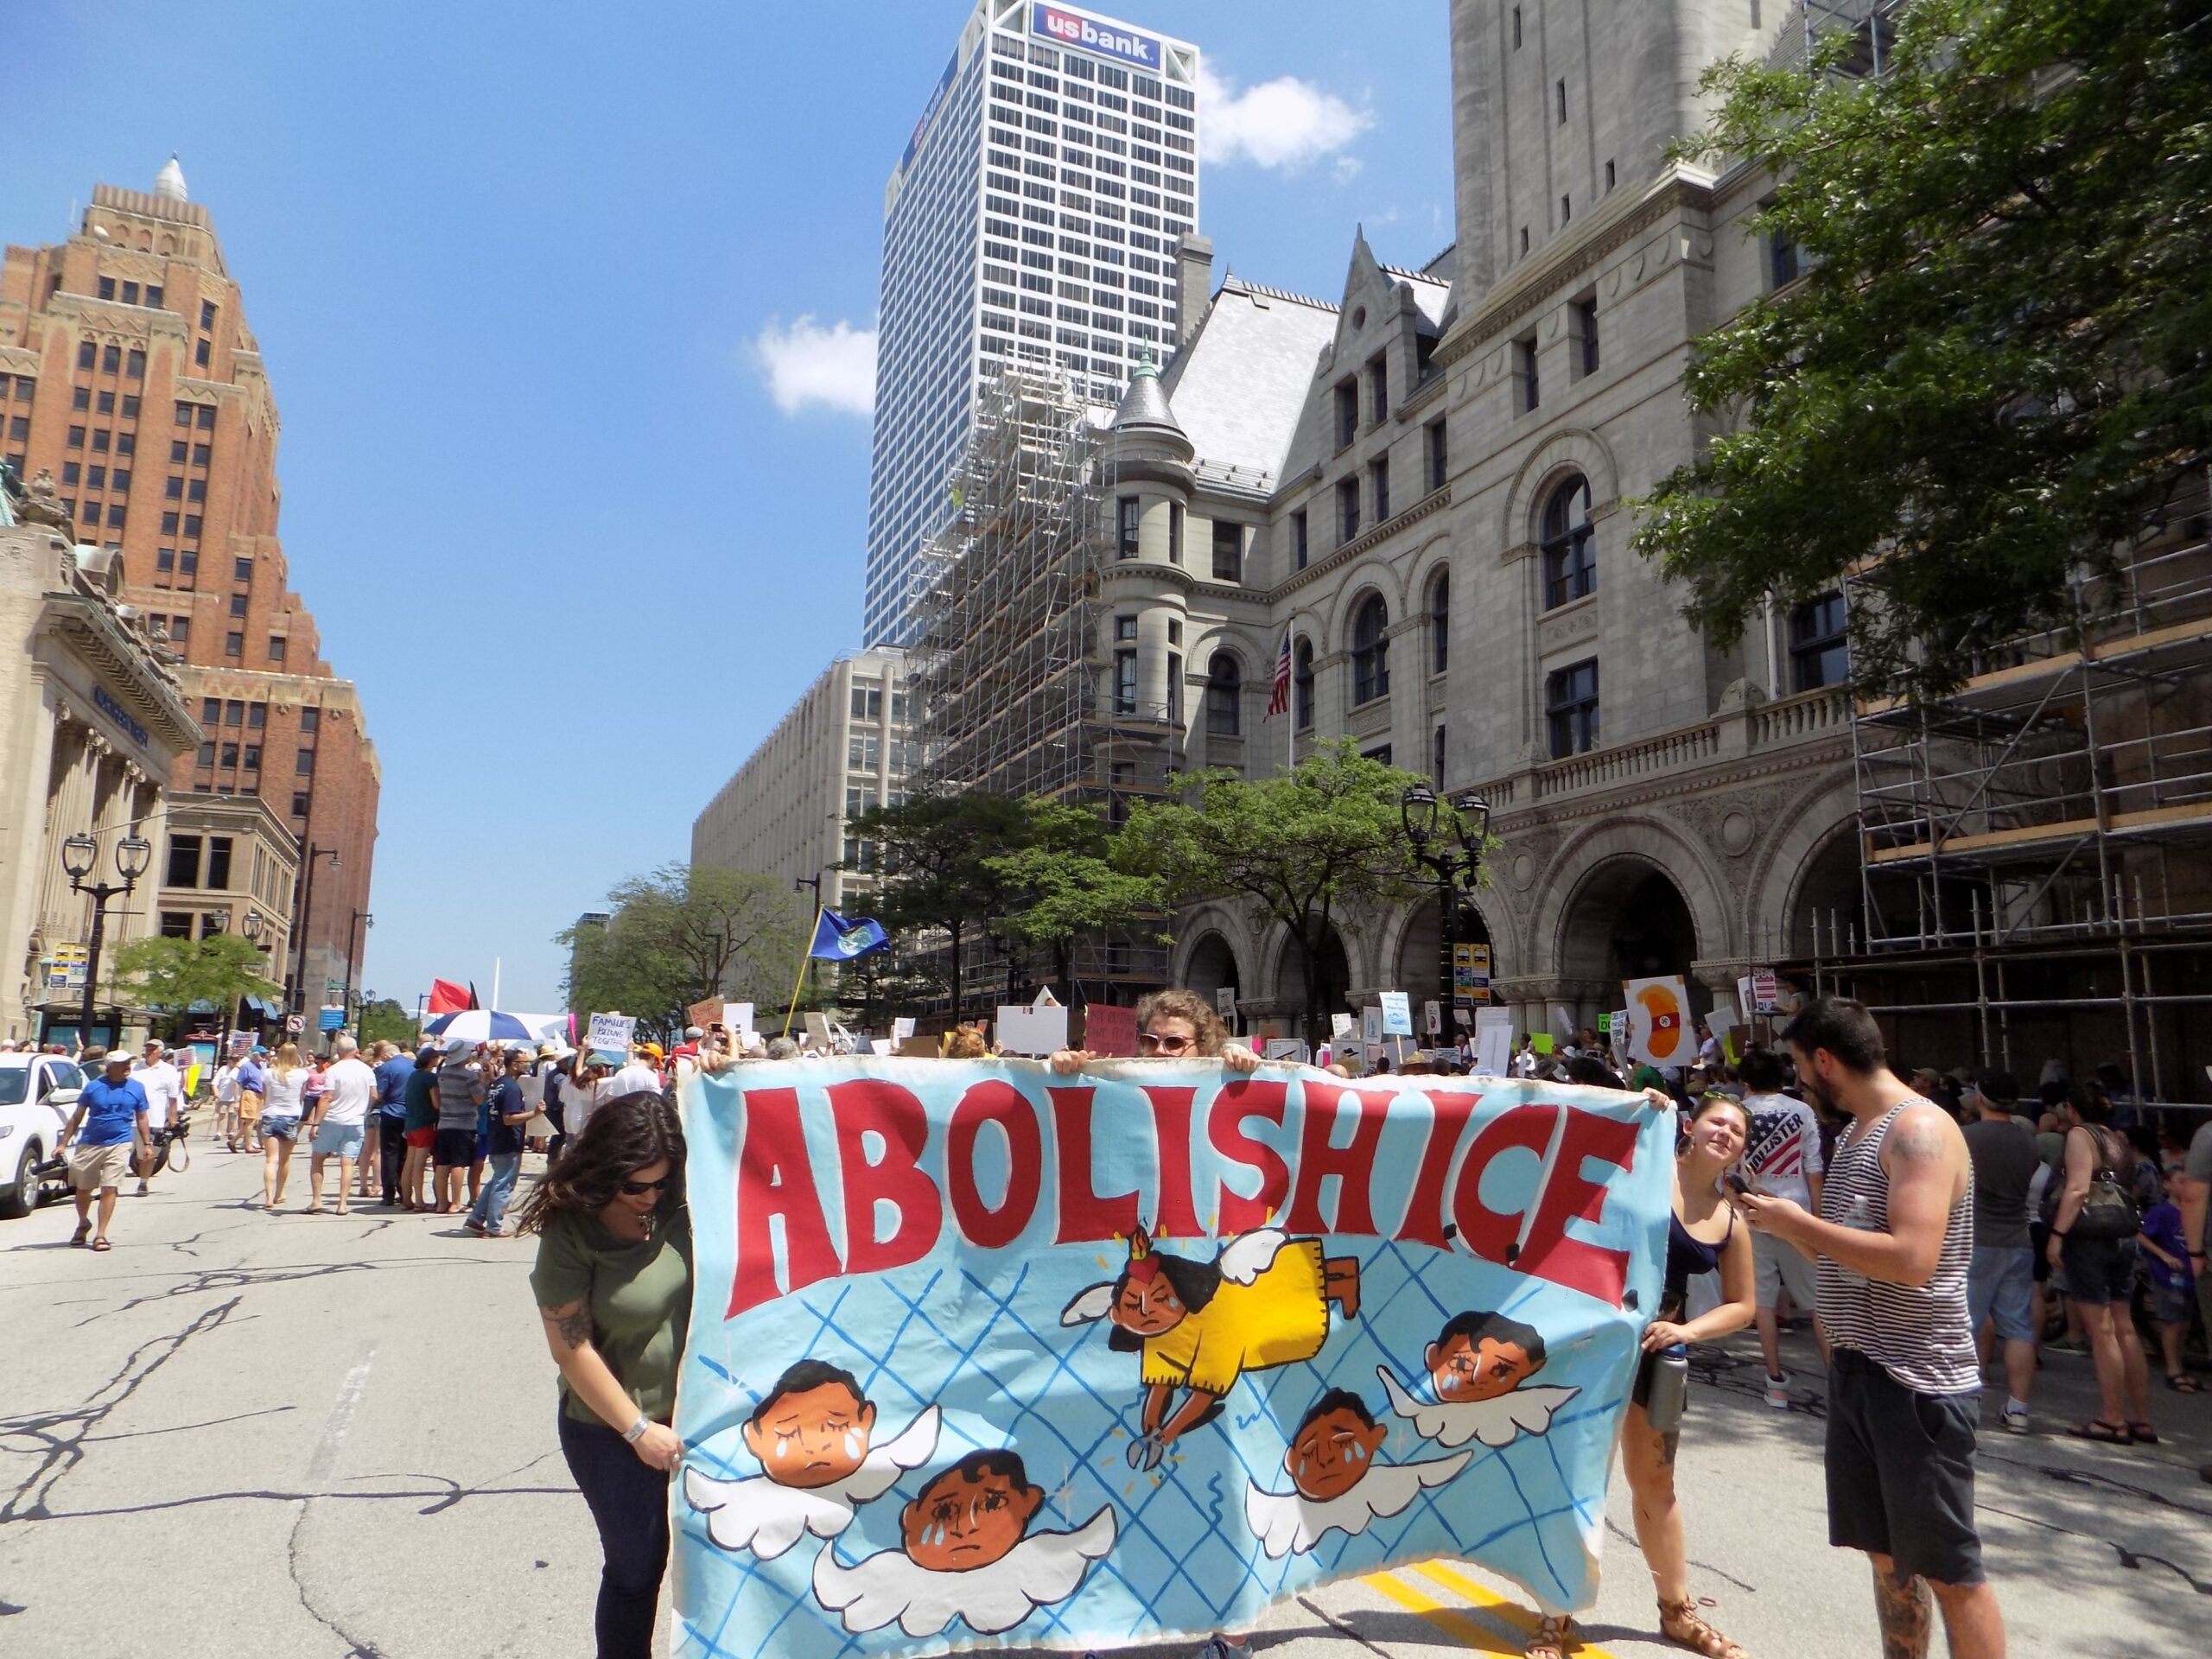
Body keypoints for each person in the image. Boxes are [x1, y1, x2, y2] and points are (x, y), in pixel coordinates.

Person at [1732, 995, 2004, 1659]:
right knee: (1887, 1557)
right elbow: (1850, 1253)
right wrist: (1779, 1226)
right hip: (1859, 1371)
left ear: (1825, 1060)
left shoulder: (1919, 1130)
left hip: (1915, 1382)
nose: (1799, 1080)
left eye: (1801, 1066)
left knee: (1950, 1572)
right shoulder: (1858, 1132)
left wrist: (1800, 1224)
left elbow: (1913, 1259)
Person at [1529, 1092, 1758, 1659]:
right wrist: (1635, 1106)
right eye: (1717, 1121)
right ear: (1691, 1126)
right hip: (1598, 1343)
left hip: (1659, 1355)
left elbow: (1743, 1306)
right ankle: (1555, 1615)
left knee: (1656, 1484)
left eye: (1736, 1131)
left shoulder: (1731, 1220)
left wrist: (1689, 1332)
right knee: (1579, 1476)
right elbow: (1578, 1142)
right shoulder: (1644, 1170)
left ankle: (1677, 1613)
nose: (1725, 1133)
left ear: (1741, 1149)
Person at [520, 1092, 692, 1659]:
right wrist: (638, 1430)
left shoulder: (682, 1201)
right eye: (635, 1186)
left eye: (660, 1183)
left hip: (703, 1414)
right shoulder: (572, 1231)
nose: (650, 1196)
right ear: (605, 1170)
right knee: (637, 1567)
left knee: (723, 1550)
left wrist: (725, 1072)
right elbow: (571, 1349)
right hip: (610, 1431)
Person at [2050, 1089, 2152, 1445]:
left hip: (2090, 1237)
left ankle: (2111, 1419)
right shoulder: (2117, 1138)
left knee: (2101, 1330)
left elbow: (2078, 1188)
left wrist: (2057, 1234)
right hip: (2122, 1233)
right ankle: (2141, 1418)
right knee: (2125, 1327)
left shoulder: (2080, 1135)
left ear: (2072, 1108)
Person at [1737, 1046, 1827, 1408]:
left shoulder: (1738, 1113)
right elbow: (1814, 1168)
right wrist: (1818, 1219)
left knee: (1762, 1303)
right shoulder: (1802, 1111)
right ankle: (1838, 1381)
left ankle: (1774, 1381)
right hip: (1797, 1215)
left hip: (1752, 1214)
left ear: (1746, 1080)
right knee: (1818, 1303)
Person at [1961, 1069, 2040, 1433]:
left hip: (1975, 1238)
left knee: (1964, 1322)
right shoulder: (2028, 1141)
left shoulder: (1966, 1137)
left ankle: (1961, 1401)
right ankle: (2019, 1408)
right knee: (2019, 1327)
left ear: (1980, 1098)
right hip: (2017, 1239)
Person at [1047, 988, 1262, 1074]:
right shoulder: (1118, 1085)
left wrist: (1247, 1070)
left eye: (1174, 1042)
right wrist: (1060, 1072)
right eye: (1150, 1040)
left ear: (1203, 1047)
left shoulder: (1225, 1087)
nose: (1159, 1050)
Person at [60, 1049, 148, 1251]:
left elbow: (142, 1117)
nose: (127, 1067)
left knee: (109, 1187)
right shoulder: (94, 1087)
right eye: (122, 1063)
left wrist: (147, 1144)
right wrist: (62, 1144)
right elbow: (77, 1117)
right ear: (110, 1067)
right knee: (83, 1189)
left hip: (120, 1142)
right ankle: (83, 1222)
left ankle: (101, 1235)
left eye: (128, 1062)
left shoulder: (136, 1088)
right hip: (91, 1143)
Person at [2136, 1195, 2200, 1394]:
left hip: (2188, 1276)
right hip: (2168, 1276)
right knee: (2172, 1323)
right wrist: (2164, 1255)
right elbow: (2141, 1235)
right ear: (2167, 1184)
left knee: (2183, 1323)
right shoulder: (2161, 1212)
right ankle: (2173, 1370)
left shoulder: (2194, 1212)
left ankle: (2179, 1366)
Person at [307, 1034, 376, 1217]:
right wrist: (364, 1109)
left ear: (338, 1051)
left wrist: (316, 1123)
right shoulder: (367, 1070)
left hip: (333, 1119)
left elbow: (326, 1097)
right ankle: (342, 1204)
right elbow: (374, 1095)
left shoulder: (333, 1070)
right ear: (356, 1050)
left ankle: (317, 1200)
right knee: (347, 1162)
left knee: (318, 1158)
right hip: (355, 1121)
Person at [467, 1047, 534, 1237]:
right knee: (504, 1184)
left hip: (495, 1138)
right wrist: (534, 1113)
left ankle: (476, 1218)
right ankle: (494, 1226)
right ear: (514, 1065)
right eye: (524, 1062)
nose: (527, 1065)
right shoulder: (511, 1088)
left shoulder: (497, 1084)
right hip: (508, 1141)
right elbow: (509, 1118)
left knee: (496, 1181)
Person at [432, 1038, 486, 1216]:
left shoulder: (442, 1074)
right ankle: (456, 1203)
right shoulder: (468, 1076)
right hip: (463, 1124)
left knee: (442, 1163)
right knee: (458, 1163)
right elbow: (479, 1099)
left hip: (444, 1122)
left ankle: (441, 1202)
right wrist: (482, 1082)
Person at [258, 1044, 310, 1212]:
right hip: (290, 1116)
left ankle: (268, 1197)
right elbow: (302, 1095)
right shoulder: (302, 1074)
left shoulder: (268, 1073)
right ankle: (279, 1193)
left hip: (270, 1115)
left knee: (270, 1159)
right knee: (284, 1159)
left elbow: (264, 1095)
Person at [131, 1039, 183, 1196]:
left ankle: (143, 1183)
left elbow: (173, 1097)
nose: (148, 1052)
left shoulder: (169, 1070)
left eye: (152, 1050)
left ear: (160, 1052)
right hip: (130, 1118)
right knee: (123, 1152)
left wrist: (172, 1118)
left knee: (147, 1154)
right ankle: (112, 1186)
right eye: (147, 1049)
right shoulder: (135, 1068)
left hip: (154, 1118)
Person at [370, 1040, 415, 1205]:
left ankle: (388, 1194)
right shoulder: (414, 1065)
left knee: (389, 1154)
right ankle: (405, 1192)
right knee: (405, 1155)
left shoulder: (386, 1068)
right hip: (410, 1113)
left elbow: (380, 1093)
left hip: (391, 1112)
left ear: (387, 1055)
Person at [399, 1044, 440, 1210]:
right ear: (431, 1060)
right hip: (425, 1123)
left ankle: (406, 1199)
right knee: (419, 1164)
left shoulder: (413, 1076)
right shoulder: (430, 1078)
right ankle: (419, 1201)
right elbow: (436, 1103)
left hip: (411, 1123)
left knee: (409, 1161)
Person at [237, 1045, 268, 1154]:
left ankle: (233, 1141)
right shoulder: (246, 1066)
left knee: (254, 1121)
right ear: (255, 1055)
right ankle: (248, 1145)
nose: (264, 1056)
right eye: (262, 1054)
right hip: (249, 1092)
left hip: (259, 1094)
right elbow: (238, 1082)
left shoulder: (260, 1066)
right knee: (250, 1121)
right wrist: (237, 1099)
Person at [212, 1050, 243, 1152]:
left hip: (234, 1097)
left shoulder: (238, 1070)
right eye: (233, 1060)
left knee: (232, 1115)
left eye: (236, 1060)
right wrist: (216, 1093)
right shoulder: (223, 1069)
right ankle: (219, 1132)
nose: (235, 1062)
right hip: (222, 1096)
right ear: (229, 1060)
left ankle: (230, 1131)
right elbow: (214, 1083)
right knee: (222, 1114)